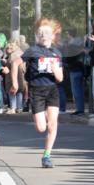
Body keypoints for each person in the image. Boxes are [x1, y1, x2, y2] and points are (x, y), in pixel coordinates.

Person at [11, 18, 64, 168]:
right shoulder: (32, 51)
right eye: (40, 33)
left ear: (52, 35)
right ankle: (42, 115)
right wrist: (15, 82)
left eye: (46, 32)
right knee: (41, 128)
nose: (43, 35)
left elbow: (60, 78)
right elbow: (15, 63)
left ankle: (47, 156)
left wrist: (55, 70)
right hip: (36, 91)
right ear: (37, 36)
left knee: (53, 125)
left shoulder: (56, 53)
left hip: (52, 90)